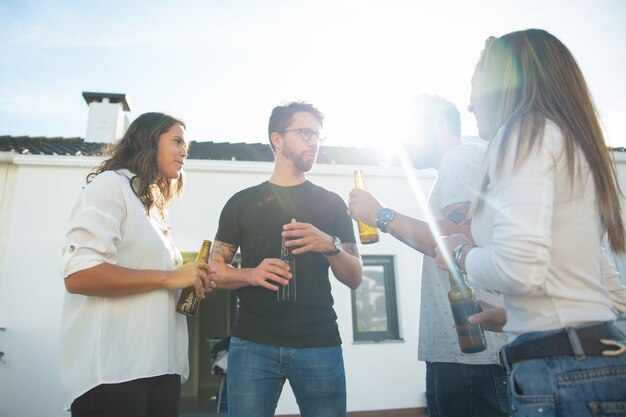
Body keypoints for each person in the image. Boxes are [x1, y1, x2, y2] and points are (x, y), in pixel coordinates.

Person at [435, 29, 626, 417]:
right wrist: (517, 318)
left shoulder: (523, 133)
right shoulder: (567, 143)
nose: (470, 105)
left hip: (558, 377)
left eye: (476, 85)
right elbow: (612, 296)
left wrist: (460, 251)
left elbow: (518, 270)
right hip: (595, 365)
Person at [348, 94, 510, 417]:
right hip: (458, 358)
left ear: (437, 122)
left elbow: (458, 239)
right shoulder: (454, 169)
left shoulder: (461, 158)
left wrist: (381, 214)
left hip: (475, 361)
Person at [210, 101, 363, 417]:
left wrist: (330, 246)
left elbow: (355, 277)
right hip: (252, 344)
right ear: (276, 139)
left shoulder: (332, 204)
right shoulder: (241, 203)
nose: (314, 141)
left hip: (319, 343)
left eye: (317, 134)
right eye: (304, 132)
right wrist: (251, 274)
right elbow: (215, 269)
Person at [59, 112, 215, 417]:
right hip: (115, 375)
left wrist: (186, 281)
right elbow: (79, 275)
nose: (185, 151)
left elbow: (159, 281)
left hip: (161, 369)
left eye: (188, 145)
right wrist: (169, 279)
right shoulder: (110, 186)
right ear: (147, 139)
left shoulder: (155, 210)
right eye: (177, 141)